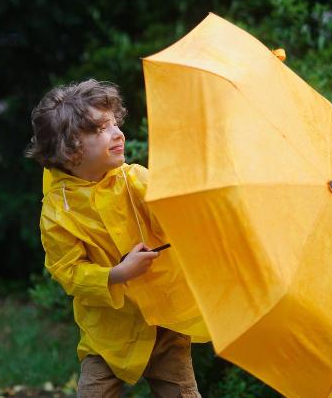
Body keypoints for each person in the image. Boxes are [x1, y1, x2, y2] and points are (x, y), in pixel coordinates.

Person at [25, 79, 208, 398]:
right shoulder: (59, 210)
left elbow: (171, 216)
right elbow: (67, 272)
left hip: (163, 322)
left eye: (113, 124)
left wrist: (185, 199)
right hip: (107, 335)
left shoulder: (135, 179)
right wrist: (116, 275)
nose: (117, 134)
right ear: (69, 152)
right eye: (99, 129)